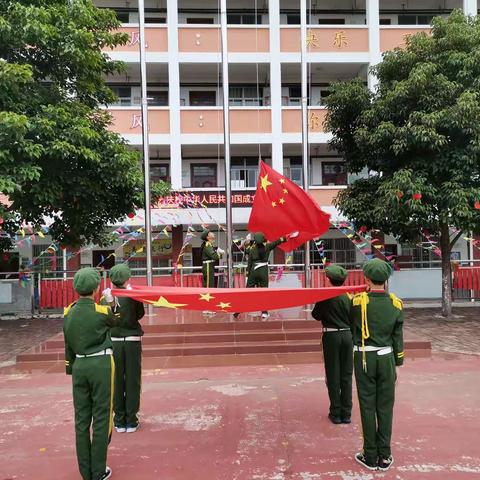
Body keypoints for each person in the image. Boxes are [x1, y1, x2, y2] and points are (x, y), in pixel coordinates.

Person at [63, 267, 119, 480]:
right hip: (101, 364)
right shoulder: (101, 311)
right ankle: (98, 470)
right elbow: (117, 320)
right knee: (102, 417)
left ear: (76, 288)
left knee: (81, 420)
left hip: (79, 366)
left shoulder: (68, 312)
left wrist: (71, 367)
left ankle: (86, 472)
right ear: (96, 289)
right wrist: (111, 301)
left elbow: (68, 344)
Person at [351, 258, 404, 472]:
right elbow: (397, 337)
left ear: (366, 278)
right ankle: (385, 454)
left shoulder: (358, 302)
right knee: (385, 407)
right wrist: (398, 361)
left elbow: (352, 324)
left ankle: (369, 455)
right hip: (387, 358)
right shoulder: (395, 303)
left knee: (367, 405)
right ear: (386, 279)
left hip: (365, 358)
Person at [101, 264, 145, 434]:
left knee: (116, 381)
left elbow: (105, 320)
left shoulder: (104, 298)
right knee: (132, 380)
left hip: (114, 343)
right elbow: (139, 315)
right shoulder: (133, 296)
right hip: (132, 342)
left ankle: (119, 420)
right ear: (127, 279)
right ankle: (131, 420)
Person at [311, 264, 353, 425]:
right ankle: (347, 413)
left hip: (331, 336)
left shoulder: (325, 296)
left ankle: (335, 413)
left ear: (328, 279)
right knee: (347, 375)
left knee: (333, 374)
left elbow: (316, 315)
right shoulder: (349, 296)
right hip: (347, 336)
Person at [246, 232, 286, 319]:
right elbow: (277, 242)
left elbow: (249, 262)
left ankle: (238, 311)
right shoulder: (267, 246)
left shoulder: (252, 249)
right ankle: (264, 312)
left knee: (247, 292)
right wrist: (285, 237)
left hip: (253, 270)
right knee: (264, 292)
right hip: (263, 270)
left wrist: (248, 273)